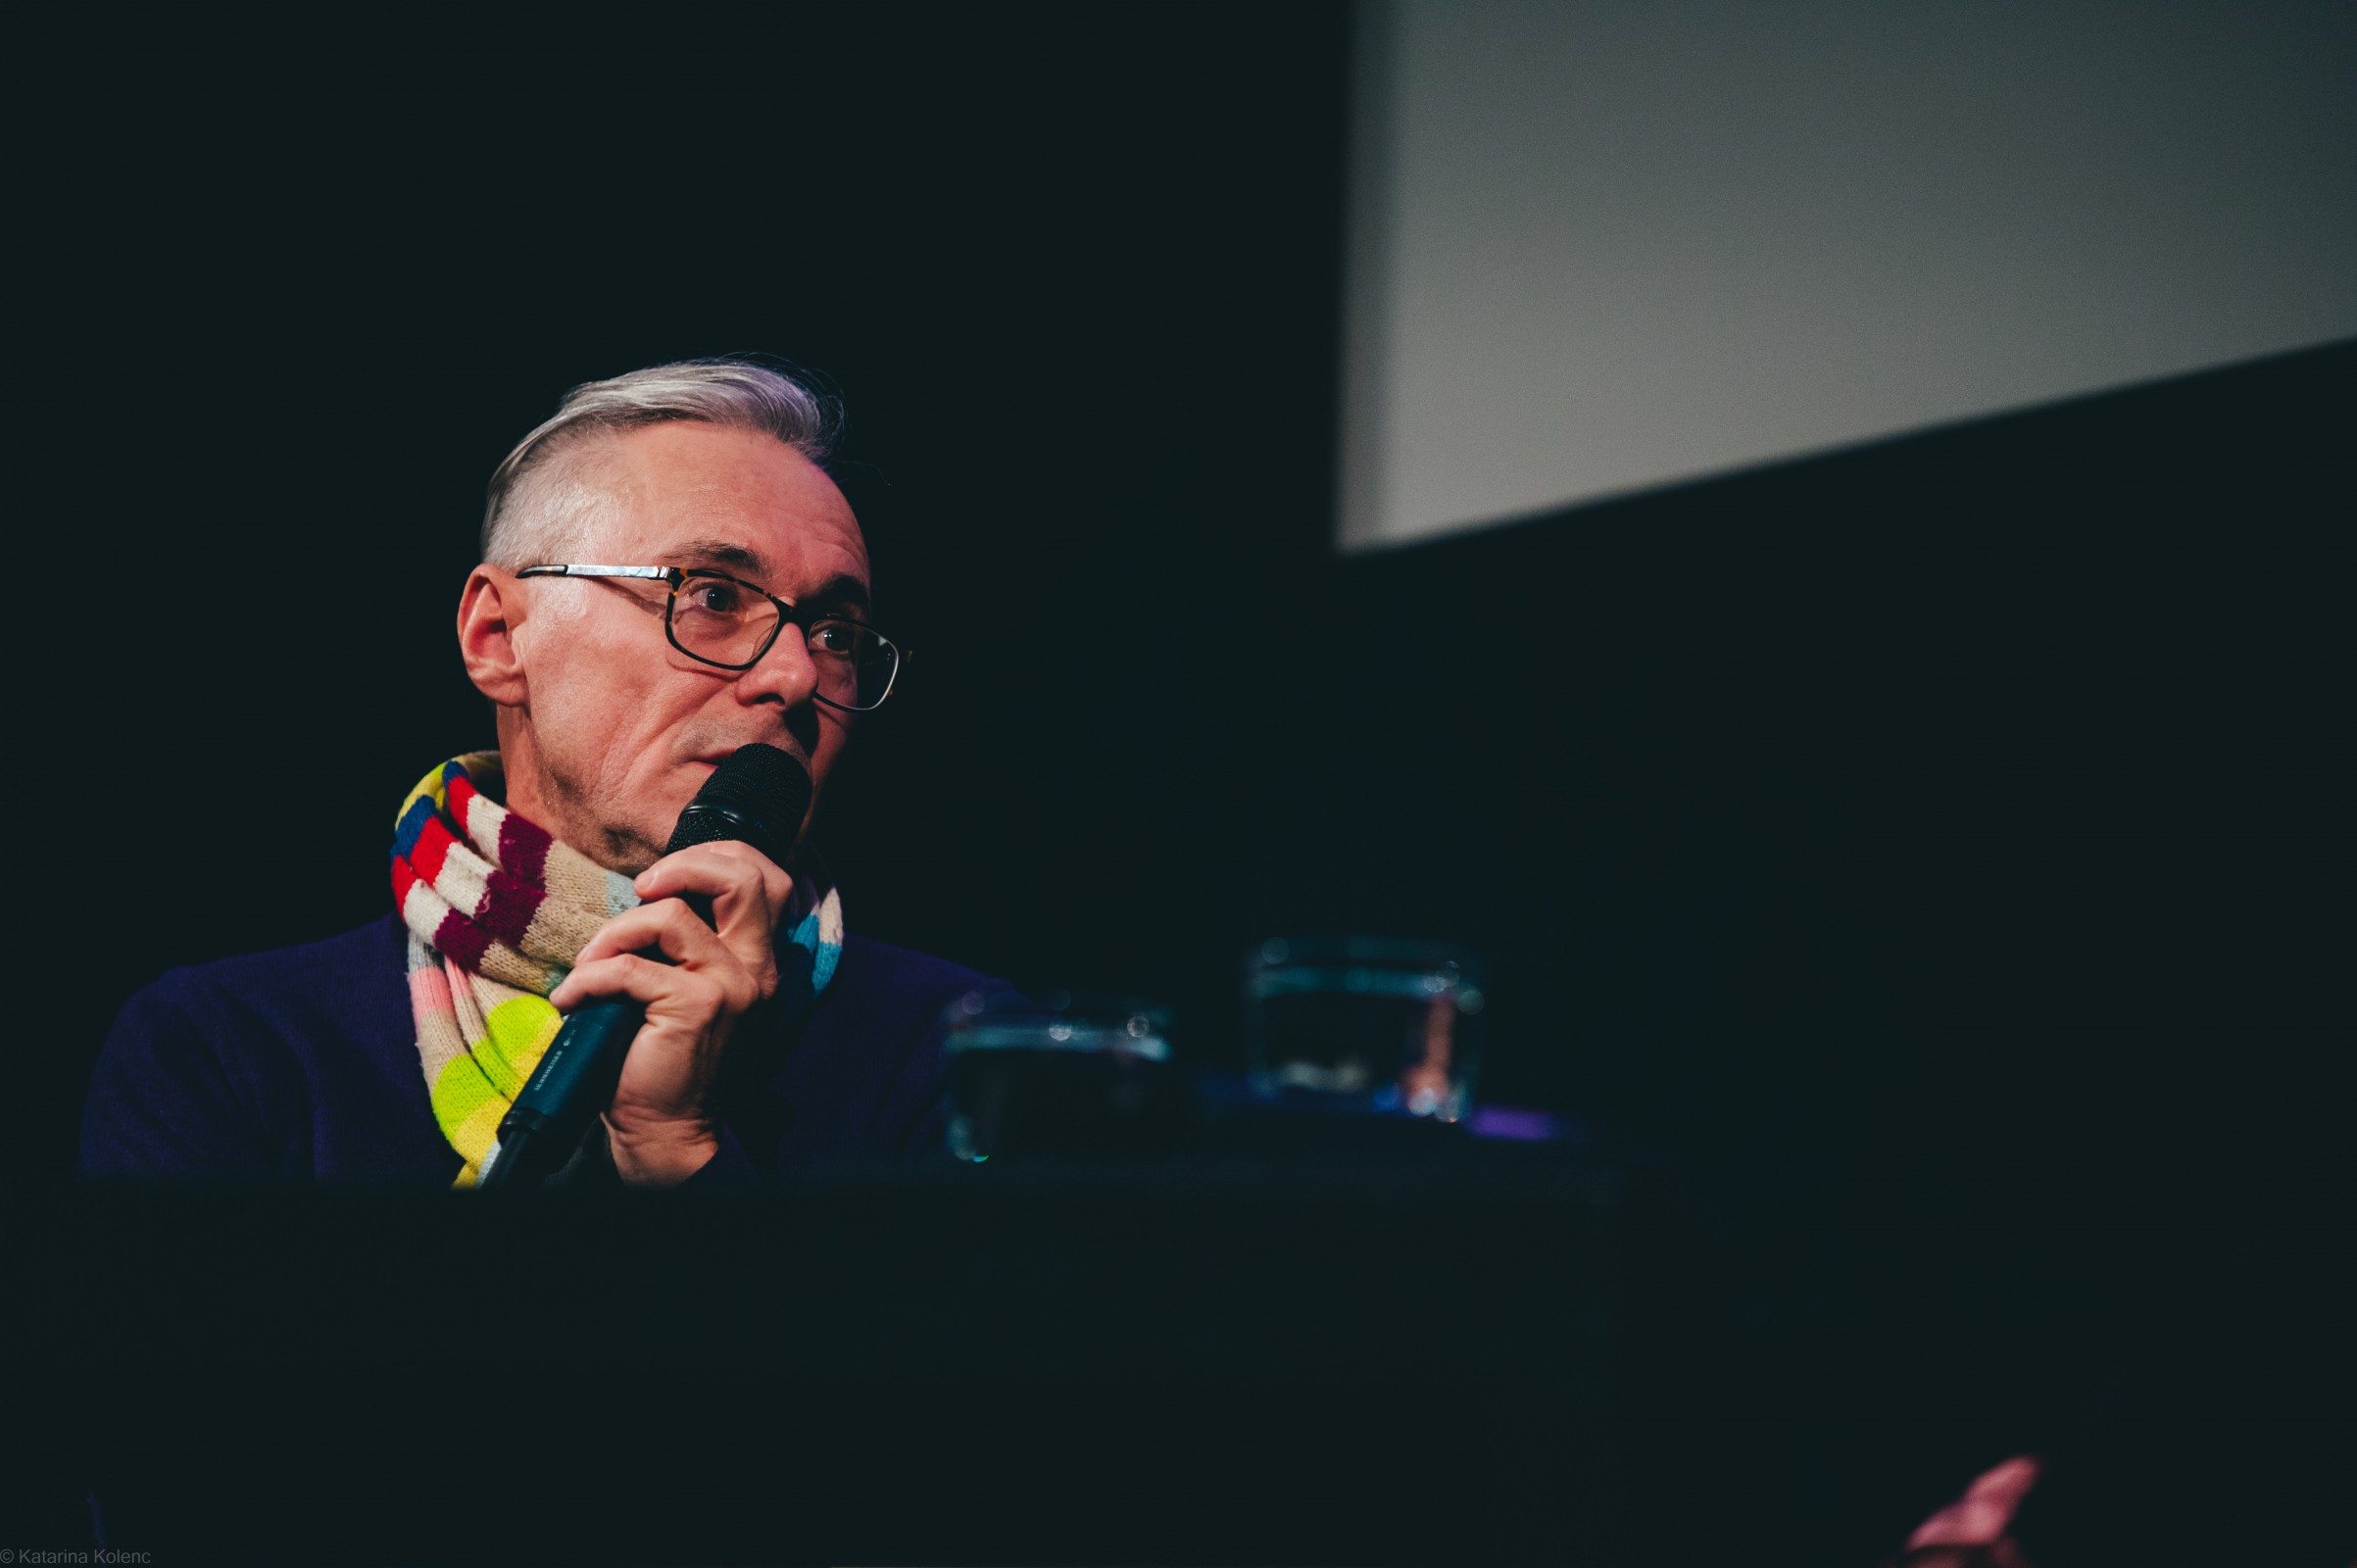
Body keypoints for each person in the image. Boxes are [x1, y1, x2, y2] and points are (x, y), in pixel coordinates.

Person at [81, 358, 1011, 1187]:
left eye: (836, 634)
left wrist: (677, 1150)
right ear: (498, 636)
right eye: (712, 595)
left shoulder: (962, 1054)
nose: (796, 675)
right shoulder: (231, 1048)